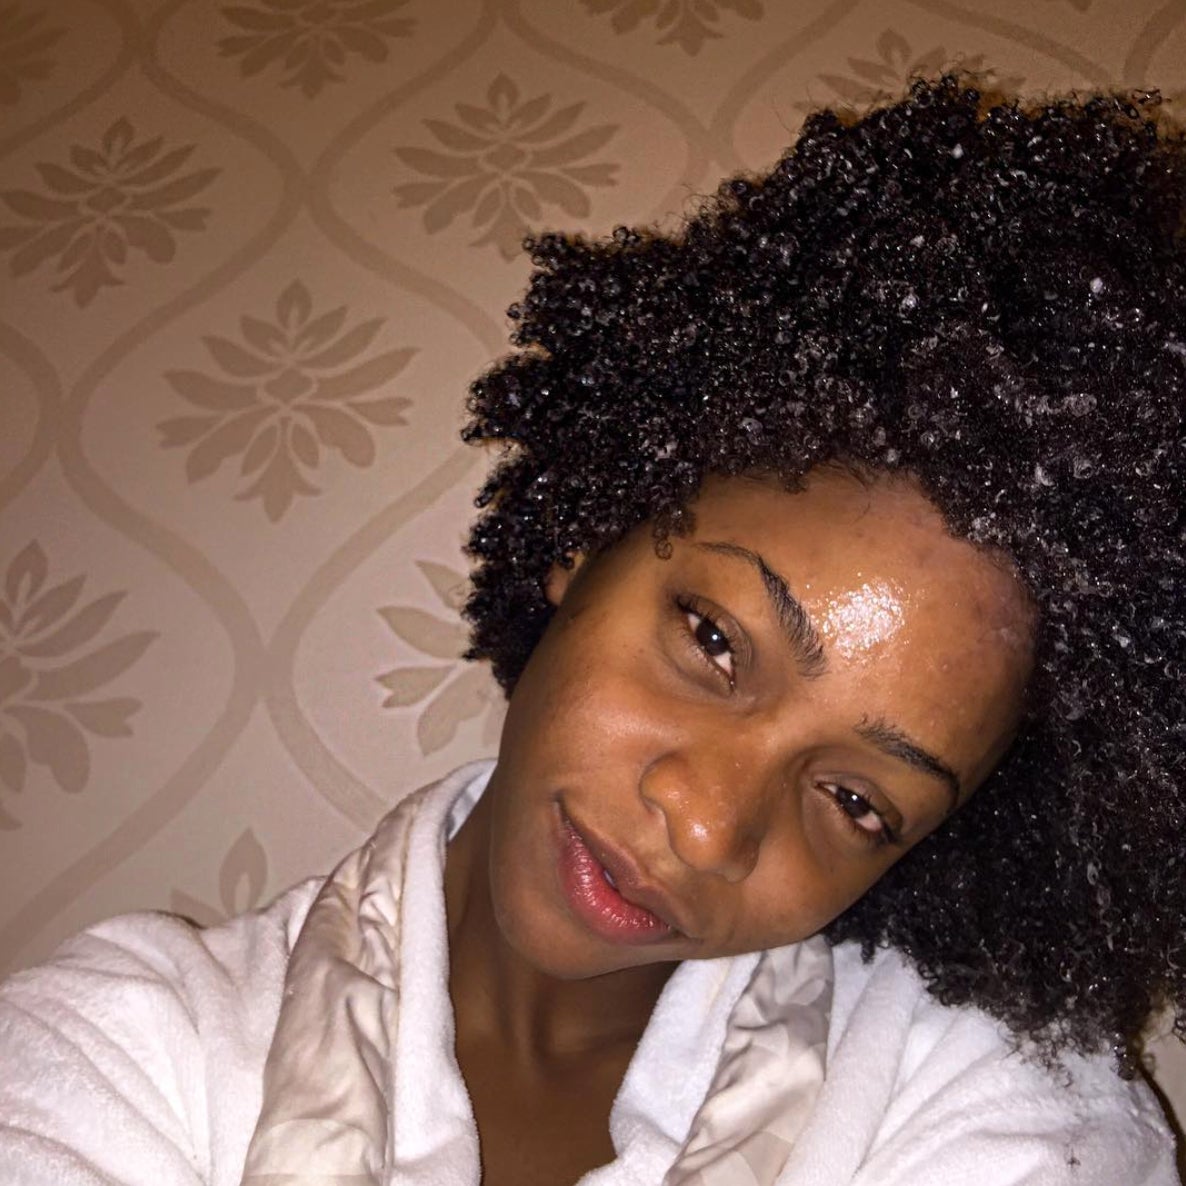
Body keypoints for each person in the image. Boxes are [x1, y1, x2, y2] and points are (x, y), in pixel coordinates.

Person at [0, 75, 1182, 1185]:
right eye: (714, 640)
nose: (708, 824)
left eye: (857, 801)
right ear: (589, 531)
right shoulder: (121, 1045)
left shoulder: (993, 1097)